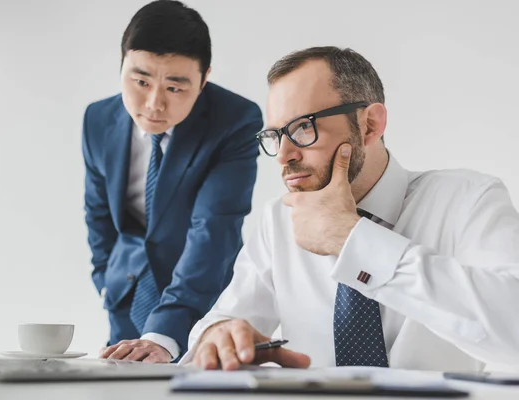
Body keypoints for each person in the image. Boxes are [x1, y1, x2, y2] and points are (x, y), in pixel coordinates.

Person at [182, 46, 519, 371]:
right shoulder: (279, 221)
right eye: (275, 135)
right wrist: (217, 335)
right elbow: (225, 322)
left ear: (370, 125)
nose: (284, 155)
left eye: (302, 127)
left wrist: (352, 240)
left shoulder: (468, 200)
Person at [82, 0, 263, 363]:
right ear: (121, 64)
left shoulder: (235, 121)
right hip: (125, 296)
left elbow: (213, 228)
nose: (153, 103)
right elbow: (98, 213)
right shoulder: (98, 119)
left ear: (204, 78)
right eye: (140, 81)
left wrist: (165, 333)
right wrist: (105, 281)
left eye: (175, 88)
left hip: (200, 304)